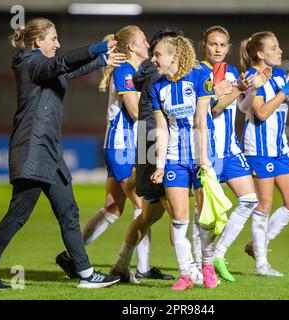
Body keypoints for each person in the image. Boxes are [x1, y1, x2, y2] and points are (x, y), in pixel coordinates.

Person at [0, 18, 126, 289]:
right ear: (37, 42)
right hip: (32, 150)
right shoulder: (29, 63)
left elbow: (67, 71)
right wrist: (98, 48)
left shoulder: (44, 66)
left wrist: (102, 61)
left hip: (49, 153)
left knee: (69, 212)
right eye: (53, 39)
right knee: (18, 214)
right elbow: (62, 64)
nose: (58, 43)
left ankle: (86, 274)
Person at [55, 25, 170, 280]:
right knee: (144, 205)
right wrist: (166, 117)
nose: (147, 44)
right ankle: (141, 268)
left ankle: (70, 256)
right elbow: (135, 111)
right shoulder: (125, 70)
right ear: (131, 47)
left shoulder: (136, 71)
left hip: (126, 146)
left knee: (113, 208)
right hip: (122, 147)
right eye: (143, 39)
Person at [109, 28, 203, 284]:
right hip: (157, 147)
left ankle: (120, 264)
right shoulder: (161, 77)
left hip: (148, 145)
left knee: (151, 214)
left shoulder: (152, 73)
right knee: (177, 211)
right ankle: (191, 268)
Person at [197, 26, 270, 282]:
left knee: (249, 200)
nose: (218, 49)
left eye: (222, 45)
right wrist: (240, 87)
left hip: (230, 149)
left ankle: (218, 254)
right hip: (208, 151)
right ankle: (198, 264)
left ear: (228, 47)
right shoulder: (197, 72)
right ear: (204, 44)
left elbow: (242, 106)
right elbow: (214, 108)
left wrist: (252, 90)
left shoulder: (229, 71)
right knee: (206, 213)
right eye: (213, 44)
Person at [150, 35, 219, 290]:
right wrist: (159, 165)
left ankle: (208, 264)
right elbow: (161, 129)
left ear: (174, 58)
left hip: (202, 156)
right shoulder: (157, 88)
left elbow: (202, 120)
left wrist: (203, 159)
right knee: (179, 218)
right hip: (174, 160)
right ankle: (186, 273)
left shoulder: (201, 77)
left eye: (158, 54)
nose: (153, 59)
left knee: (205, 217)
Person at [240, 31, 289, 276]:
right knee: (265, 204)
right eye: (274, 47)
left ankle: (257, 245)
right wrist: (286, 89)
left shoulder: (281, 76)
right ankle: (261, 264)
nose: (280, 51)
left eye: (278, 46)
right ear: (260, 54)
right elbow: (260, 113)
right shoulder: (251, 77)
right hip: (258, 149)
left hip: (280, 149)